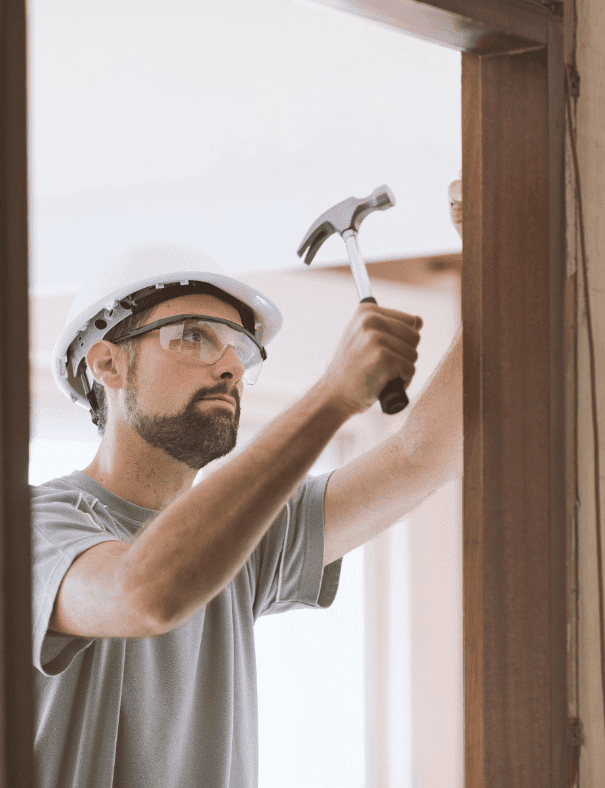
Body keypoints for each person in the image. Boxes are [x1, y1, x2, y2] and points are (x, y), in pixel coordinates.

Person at [31, 181, 464, 787]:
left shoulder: (242, 534)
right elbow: (145, 591)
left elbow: (423, 456)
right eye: (192, 335)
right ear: (107, 363)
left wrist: (500, 264)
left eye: (240, 348)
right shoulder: (28, 531)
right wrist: (332, 395)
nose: (231, 364)